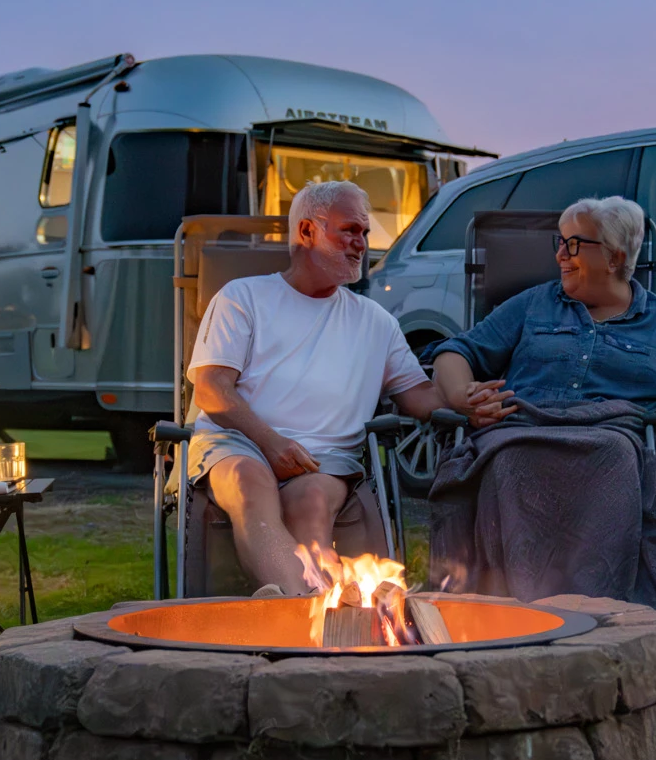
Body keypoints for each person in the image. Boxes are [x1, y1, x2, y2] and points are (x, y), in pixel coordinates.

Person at [426, 194, 656, 607]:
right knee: (506, 458)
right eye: (559, 241)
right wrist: (462, 394)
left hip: (611, 439)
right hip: (524, 432)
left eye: (573, 244)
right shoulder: (533, 305)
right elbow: (457, 352)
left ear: (614, 257)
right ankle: (514, 610)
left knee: (612, 457)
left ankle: (600, 611)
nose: (559, 255)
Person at [186, 180, 502, 595]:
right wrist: (270, 442)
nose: (361, 244)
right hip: (239, 442)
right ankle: (310, 610)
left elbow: (419, 397)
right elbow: (211, 389)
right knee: (250, 483)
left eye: (365, 234)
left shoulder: (375, 321)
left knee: (312, 502)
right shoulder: (244, 297)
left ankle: (309, 606)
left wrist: (465, 401)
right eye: (349, 230)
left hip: (325, 458)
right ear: (306, 232)